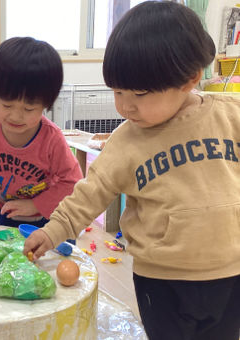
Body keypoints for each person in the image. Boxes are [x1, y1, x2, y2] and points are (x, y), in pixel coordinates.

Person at [23, 2, 240, 340]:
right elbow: (89, 194)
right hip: (163, 280)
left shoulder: (229, 116)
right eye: (117, 91)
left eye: (139, 94)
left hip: (231, 273)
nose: (124, 105)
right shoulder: (126, 141)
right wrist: (52, 232)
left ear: (190, 79)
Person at [0, 37, 83, 228]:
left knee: (56, 258)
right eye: (6, 105)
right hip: (7, 214)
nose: (15, 116)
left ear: (46, 105)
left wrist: (35, 205)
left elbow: (73, 182)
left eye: (29, 109)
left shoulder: (51, 138)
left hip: (51, 219)